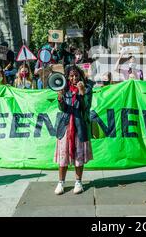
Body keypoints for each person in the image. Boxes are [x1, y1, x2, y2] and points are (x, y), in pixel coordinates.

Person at [54, 65, 93, 195]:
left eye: (76, 75)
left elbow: (85, 108)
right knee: (63, 157)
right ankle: (61, 183)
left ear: (80, 76)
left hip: (79, 126)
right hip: (65, 127)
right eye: (71, 75)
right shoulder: (63, 90)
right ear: (67, 77)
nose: (74, 78)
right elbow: (62, 109)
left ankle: (78, 182)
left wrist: (81, 93)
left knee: (79, 156)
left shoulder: (87, 89)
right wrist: (60, 99)